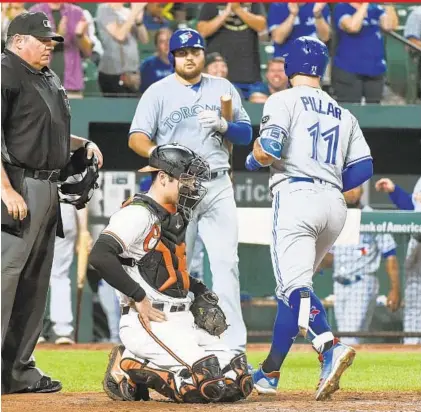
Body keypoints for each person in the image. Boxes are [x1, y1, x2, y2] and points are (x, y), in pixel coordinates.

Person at [244, 36, 373, 400]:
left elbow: (269, 149)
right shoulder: (344, 112)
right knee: (295, 293)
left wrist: (254, 158)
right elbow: (364, 166)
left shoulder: (282, 99)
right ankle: (269, 372)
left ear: (289, 67)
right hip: (334, 204)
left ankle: (328, 346)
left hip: (297, 195)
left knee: (293, 288)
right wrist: (329, 182)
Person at [90, 144, 253, 403]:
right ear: (163, 177)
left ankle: (148, 365)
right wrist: (137, 296)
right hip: (149, 321)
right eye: (186, 180)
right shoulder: (137, 213)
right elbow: (100, 255)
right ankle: (128, 364)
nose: (193, 187)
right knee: (202, 385)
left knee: (238, 379)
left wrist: (198, 290)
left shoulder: (176, 216)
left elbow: (165, 268)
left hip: (182, 320)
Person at [127, 29, 251, 357]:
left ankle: (233, 346)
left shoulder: (222, 87)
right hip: (178, 189)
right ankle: (176, 341)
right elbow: (136, 137)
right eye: (182, 53)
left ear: (203, 54)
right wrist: (160, 155)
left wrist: (226, 126)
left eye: (194, 51)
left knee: (227, 264)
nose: (189, 57)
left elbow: (246, 133)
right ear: (173, 58)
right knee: (176, 268)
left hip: (217, 182)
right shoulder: (158, 92)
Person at [1, 11, 103, 394]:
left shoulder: (45, 77)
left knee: (34, 284)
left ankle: (17, 371)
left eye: (52, 40)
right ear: (17, 40)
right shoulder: (5, 70)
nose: (49, 45)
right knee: (6, 278)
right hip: (18, 185)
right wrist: (6, 190)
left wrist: (81, 144)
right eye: (42, 39)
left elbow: (42, 130)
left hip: (47, 187)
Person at [320, 185, 401, 345]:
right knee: (350, 339)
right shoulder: (336, 218)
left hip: (362, 284)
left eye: (355, 187)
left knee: (350, 338)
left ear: (363, 191)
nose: (351, 192)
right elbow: (330, 259)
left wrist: (395, 289)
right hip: (339, 285)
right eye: (347, 188)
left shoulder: (372, 216)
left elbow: (389, 254)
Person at [375, 176, 421, 344]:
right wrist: (394, 191)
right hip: (417, 246)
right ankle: (412, 351)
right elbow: (413, 208)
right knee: (414, 309)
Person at [38, 205, 93, 345]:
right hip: (63, 213)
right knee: (59, 277)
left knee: (36, 275)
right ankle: (63, 330)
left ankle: (36, 331)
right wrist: (84, 232)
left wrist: (83, 233)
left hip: (37, 211)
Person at [197, 3, 267, 99]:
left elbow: (261, 25)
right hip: (220, 73)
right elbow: (203, 31)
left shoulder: (254, 4)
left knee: (258, 100)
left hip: (250, 74)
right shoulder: (211, 4)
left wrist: (238, 9)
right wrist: (226, 12)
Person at [332, 3, 398, 104]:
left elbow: (389, 26)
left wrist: (388, 4)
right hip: (348, 68)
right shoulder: (342, 7)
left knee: (373, 112)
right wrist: (365, 4)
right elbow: (353, 27)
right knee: (350, 111)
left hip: (375, 69)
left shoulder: (375, 8)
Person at [96, 2, 149, 97]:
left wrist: (139, 22)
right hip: (112, 73)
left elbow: (144, 39)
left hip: (132, 73)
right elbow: (120, 36)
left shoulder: (128, 12)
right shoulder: (104, 9)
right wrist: (135, 12)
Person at [140, 28, 173, 93]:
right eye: (162, 41)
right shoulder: (148, 65)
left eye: (169, 40)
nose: (166, 44)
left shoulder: (182, 64)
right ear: (156, 46)